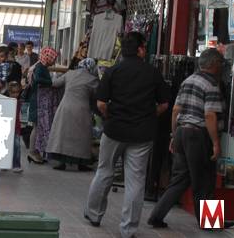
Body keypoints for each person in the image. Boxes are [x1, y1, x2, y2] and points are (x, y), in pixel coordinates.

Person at [84, 32, 169, 238]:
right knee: (136, 181)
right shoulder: (153, 73)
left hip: (114, 130)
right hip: (142, 134)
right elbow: (164, 104)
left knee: (104, 172)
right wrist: (149, 116)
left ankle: (94, 214)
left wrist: (109, 116)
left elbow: (101, 103)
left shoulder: (113, 71)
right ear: (141, 49)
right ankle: (128, 229)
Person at [148, 48, 225, 228]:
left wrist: (174, 136)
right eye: (220, 63)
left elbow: (176, 110)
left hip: (182, 132)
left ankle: (156, 216)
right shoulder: (212, 84)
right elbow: (210, 116)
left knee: (179, 180)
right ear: (214, 64)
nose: (222, 67)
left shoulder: (187, 80)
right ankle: (211, 223)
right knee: (205, 180)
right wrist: (215, 143)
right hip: (199, 135)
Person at [46, 58, 99, 171]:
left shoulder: (70, 74)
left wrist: (53, 74)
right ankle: (81, 163)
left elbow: (55, 84)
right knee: (82, 137)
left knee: (63, 135)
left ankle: (62, 162)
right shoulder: (93, 79)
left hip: (65, 107)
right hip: (82, 110)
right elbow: (97, 96)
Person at [26, 47, 58, 164]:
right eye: (53, 58)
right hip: (38, 101)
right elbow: (38, 79)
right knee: (37, 127)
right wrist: (51, 83)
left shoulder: (40, 66)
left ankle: (35, 151)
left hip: (38, 100)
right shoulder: (40, 67)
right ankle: (32, 152)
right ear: (48, 57)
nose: (54, 61)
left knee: (38, 127)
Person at [8, 81, 24, 173]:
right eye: (13, 92)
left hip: (16, 127)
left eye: (17, 92)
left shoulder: (19, 102)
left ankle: (16, 165)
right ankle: (3, 164)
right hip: (7, 127)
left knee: (17, 146)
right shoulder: (7, 101)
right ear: (9, 92)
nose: (15, 94)